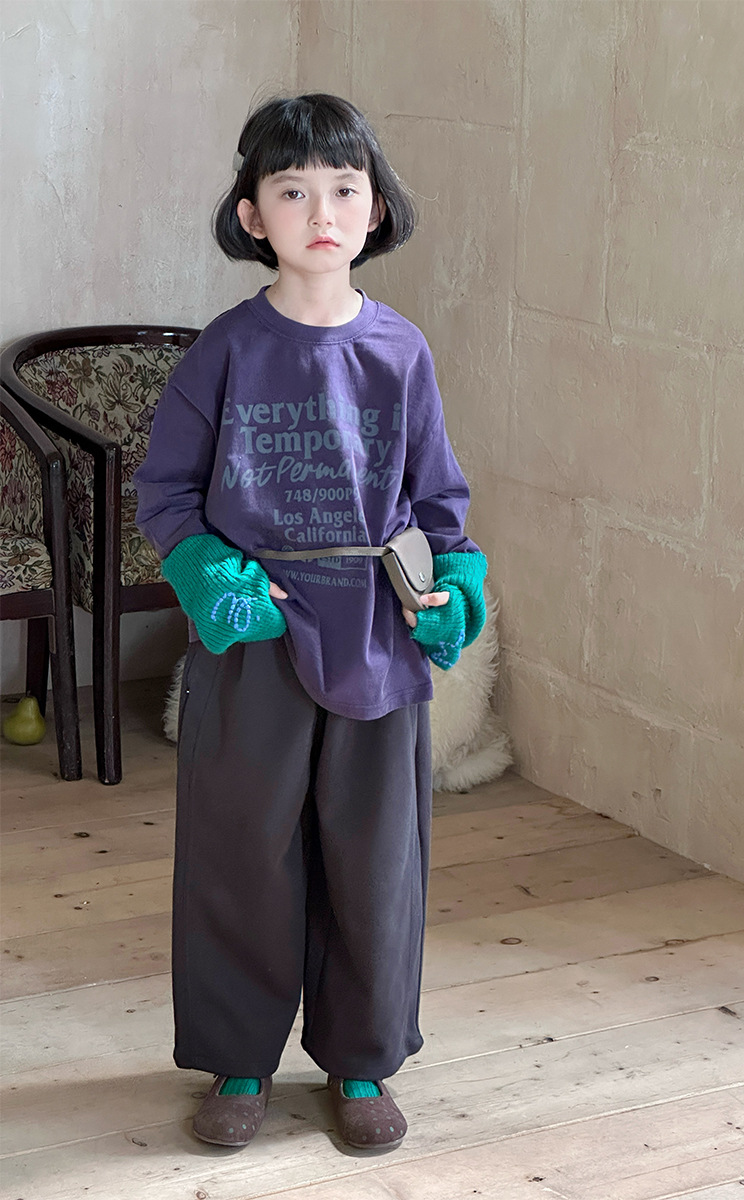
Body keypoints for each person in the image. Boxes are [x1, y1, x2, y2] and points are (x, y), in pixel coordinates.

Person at [134, 93, 486, 1153]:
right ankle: (240, 1056)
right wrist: (217, 585)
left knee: (375, 859)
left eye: (343, 189)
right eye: (292, 191)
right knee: (241, 849)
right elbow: (166, 493)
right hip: (256, 640)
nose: (320, 211)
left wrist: (453, 589)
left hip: (376, 637)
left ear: (375, 209)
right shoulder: (225, 351)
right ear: (253, 215)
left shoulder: (402, 352)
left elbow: (438, 501)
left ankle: (362, 1059)